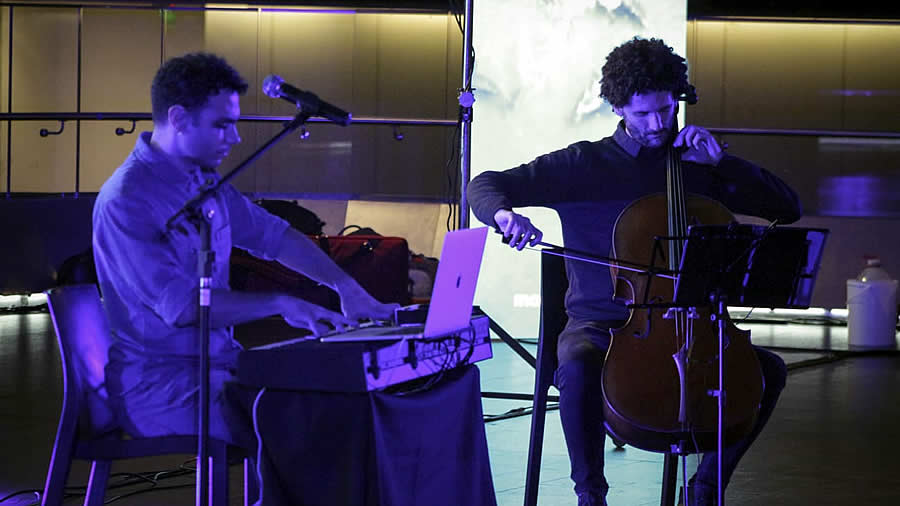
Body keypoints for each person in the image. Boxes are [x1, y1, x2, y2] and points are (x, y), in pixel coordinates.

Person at [467, 37, 802, 506]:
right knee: (578, 363)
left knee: (768, 372)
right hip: (601, 325)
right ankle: (591, 494)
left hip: (694, 324)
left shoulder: (699, 164)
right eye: (642, 114)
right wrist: (503, 215)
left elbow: (787, 208)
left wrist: (725, 163)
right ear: (617, 106)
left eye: (666, 110)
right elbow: (486, 184)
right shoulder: (584, 164)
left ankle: (706, 485)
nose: (658, 125)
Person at [92, 52, 396, 502]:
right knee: (304, 416)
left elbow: (275, 236)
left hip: (225, 368)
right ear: (178, 118)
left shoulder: (203, 182)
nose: (234, 137)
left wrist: (346, 288)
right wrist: (281, 303)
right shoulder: (127, 200)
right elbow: (181, 307)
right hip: (161, 387)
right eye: (221, 125)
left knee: (337, 393)